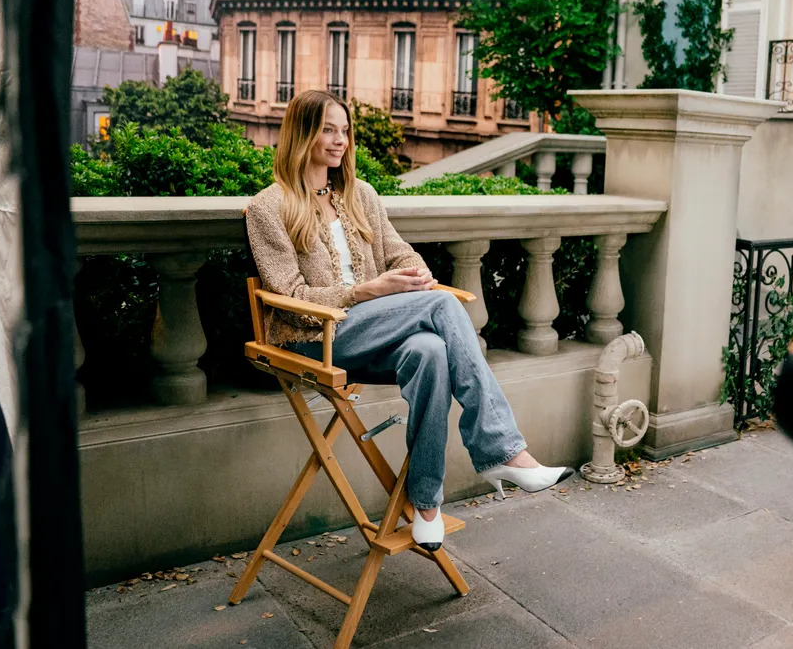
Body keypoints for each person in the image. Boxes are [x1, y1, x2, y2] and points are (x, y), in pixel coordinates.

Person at [246, 90, 574, 552]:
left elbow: (400, 253)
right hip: (314, 337)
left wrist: (413, 273)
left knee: (431, 351)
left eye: (345, 131)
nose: (340, 141)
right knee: (442, 306)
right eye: (328, 130)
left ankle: (425, 506)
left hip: (371, 331)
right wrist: (366, 291)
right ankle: (504, 450)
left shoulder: (360, 195)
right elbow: (289, 299)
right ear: (302, 134)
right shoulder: (269, 207)